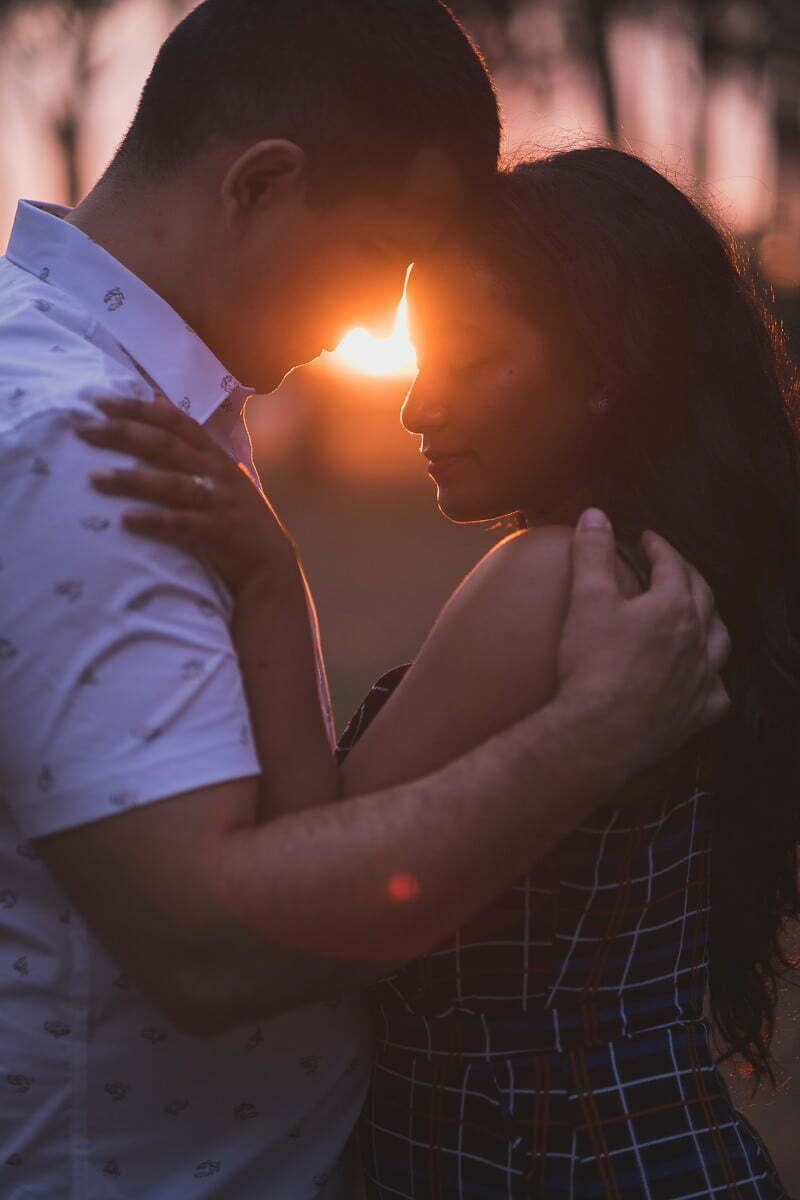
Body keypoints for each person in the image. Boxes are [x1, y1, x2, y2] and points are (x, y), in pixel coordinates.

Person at [0, 0, 728, 1190]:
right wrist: (588, 736)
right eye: (381, 257)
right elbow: (214, 952)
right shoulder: (78, 443)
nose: (370, 328)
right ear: (259, 185)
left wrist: (272, 588)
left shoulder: (161, 411)